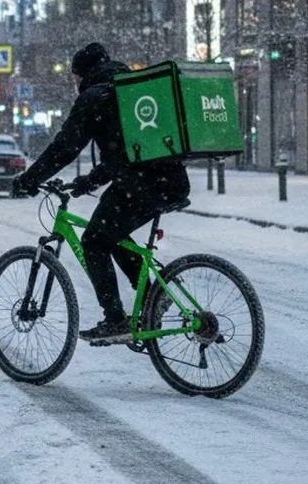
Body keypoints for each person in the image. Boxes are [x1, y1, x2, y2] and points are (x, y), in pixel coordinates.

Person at [12, 42, 190, 345]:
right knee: (111, 234)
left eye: (75, 78)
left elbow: (64, 148)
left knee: (94, 240)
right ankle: (153, 297)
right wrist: (90, 181)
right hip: (170, 181)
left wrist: (29, 179)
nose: (75, 84)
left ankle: (116, 319)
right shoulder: (128, 90)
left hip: (141, 185)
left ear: (83, 75)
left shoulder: (95, 97)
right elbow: (125, 151)